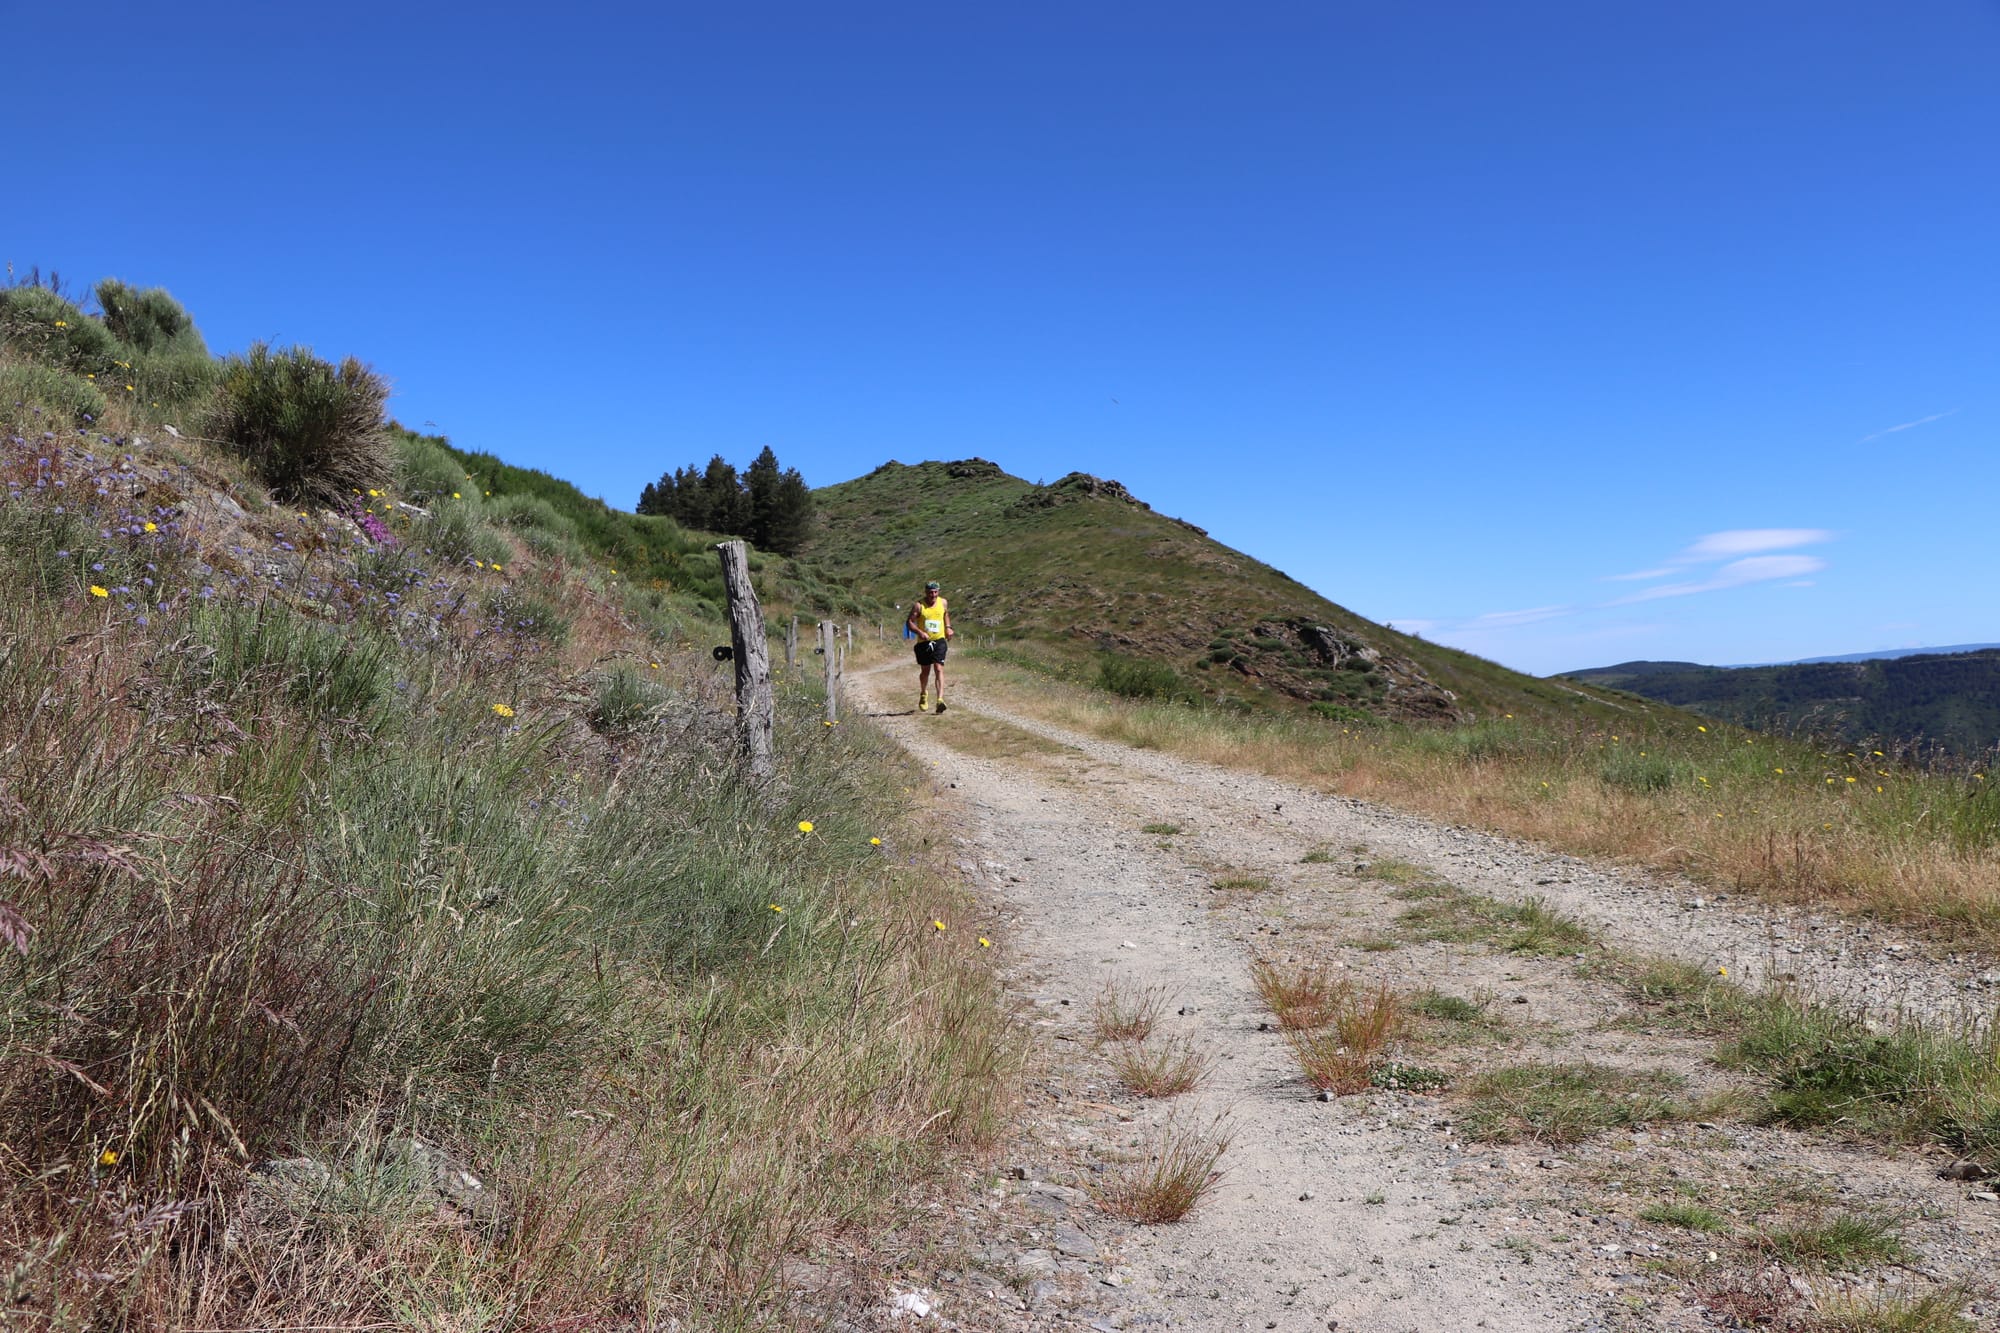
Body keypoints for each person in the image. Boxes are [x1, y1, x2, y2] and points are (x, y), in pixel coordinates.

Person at [906, 580, 953, 714]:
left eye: (935, 592)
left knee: (938, 668)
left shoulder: (943, 602)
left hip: (939, 640)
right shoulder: (919, 606)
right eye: (930, 592)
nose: (933, 595)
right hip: (924, 643)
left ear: (938, 592)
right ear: (926, 592)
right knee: (925, 671)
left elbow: (945, 614)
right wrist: (920, 632)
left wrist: (948, 628)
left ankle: (940, 700)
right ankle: (923, 693)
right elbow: (909, 622)